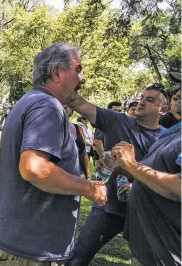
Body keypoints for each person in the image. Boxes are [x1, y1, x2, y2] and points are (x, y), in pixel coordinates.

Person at [0, 43, 107, 266]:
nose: (82, 78)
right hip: (31, 252)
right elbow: (34, 168)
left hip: (23, 245)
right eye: (78, 69)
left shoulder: (30, 101)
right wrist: (90, 188)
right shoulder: (47, 106)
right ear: (56, 73)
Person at [66, 83, 168, 266]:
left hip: (145, 214)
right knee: (77, 259)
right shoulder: (117, 120)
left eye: (150, 100)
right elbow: (79, 103)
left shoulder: (168, 139)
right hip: (109, 208)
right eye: (142, 98)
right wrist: (65, 81)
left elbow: (169, 181)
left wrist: (137, 183)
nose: (141, 103)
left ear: (163, 109)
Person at [112, 121, 181, 265]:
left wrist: (132, 165)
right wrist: (124, 167)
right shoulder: (174, 129)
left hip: (169, 248)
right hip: (144, 239)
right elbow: (157, 168)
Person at [93, 101, 123, 180]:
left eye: (119, 111)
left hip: (115, 166)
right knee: (104, 189)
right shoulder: (105, 124)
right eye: (115, 110)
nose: (118, 113)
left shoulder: (117, 125)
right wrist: (106, 160)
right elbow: (97, 142)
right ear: (108, 111)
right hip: (106, 167)